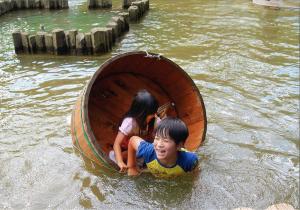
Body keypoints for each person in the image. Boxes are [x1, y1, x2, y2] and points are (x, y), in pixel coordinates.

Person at [127, 117, 199, 178]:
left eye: (165, 140)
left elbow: (195, 173)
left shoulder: (189, 160)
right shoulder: (148, 151)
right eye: (157, 138)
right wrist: (132, 167)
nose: (159, 144)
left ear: (179, 145)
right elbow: (133, 140)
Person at [109, 89, 160, 172]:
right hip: (128, 148)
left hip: (143, 147)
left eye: (154, 113)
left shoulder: (155, 120)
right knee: (127, 155)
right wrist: (120, 162)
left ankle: (141, 163)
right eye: (151, 114)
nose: (154, 115)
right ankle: (117, 158)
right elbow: (116, 144)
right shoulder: (129, 123)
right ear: (141, 114)